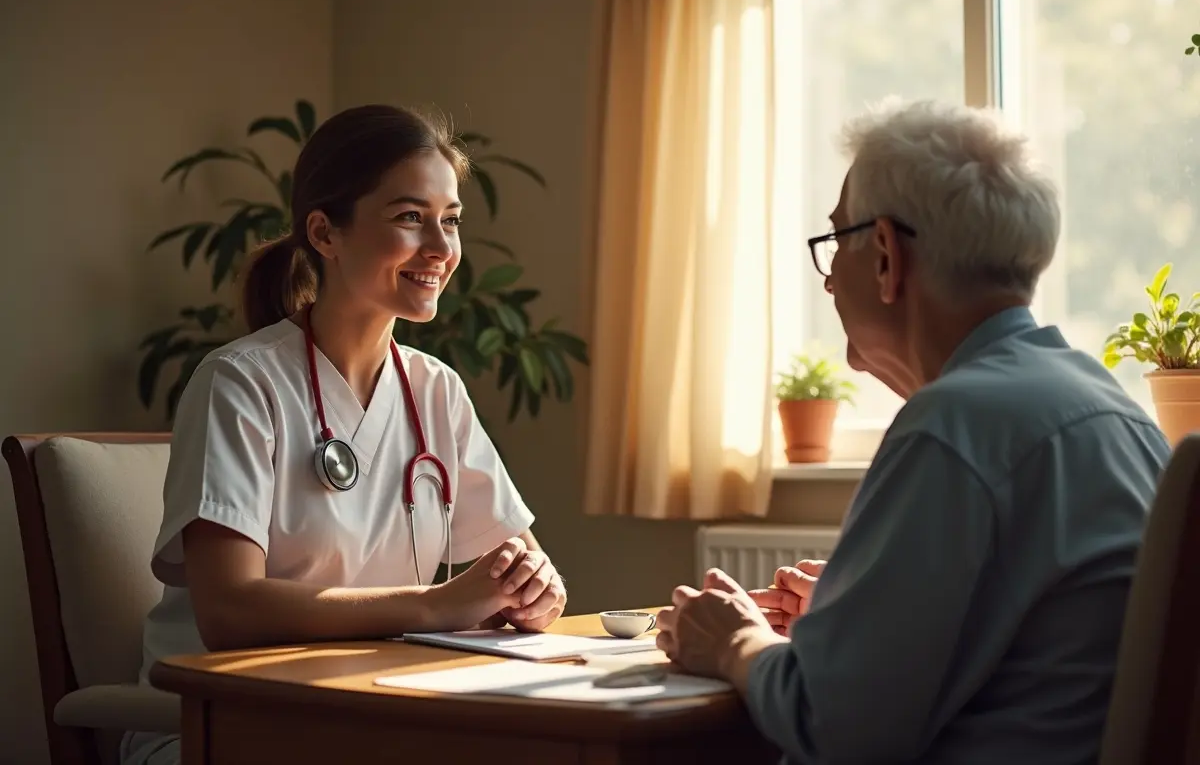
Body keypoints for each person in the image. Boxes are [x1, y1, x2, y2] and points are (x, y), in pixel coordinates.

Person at [654, 98, 1171, 764]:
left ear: (886, 258)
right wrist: (863, 612)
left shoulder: (953, 427)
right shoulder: (1110, 407)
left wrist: (732, 644)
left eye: (836, 240)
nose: (829, 279)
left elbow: (833, 728)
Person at [120, 105, 566, 765]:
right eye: (410, 218)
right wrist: (436, 605)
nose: (441, 249)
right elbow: (230, 611)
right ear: (325, 234)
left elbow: (517, 567)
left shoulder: (435, 390)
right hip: (224, 725)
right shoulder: (240, 384)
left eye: (450, 221)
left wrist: (532, 591)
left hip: (370, 711)